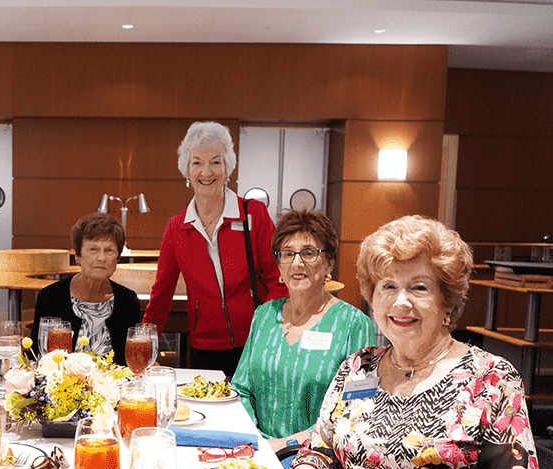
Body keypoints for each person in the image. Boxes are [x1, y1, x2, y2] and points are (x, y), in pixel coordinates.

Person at [289, 215, 549, 469]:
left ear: (447, 302)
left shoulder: (490, 379)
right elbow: (321, 447)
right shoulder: (359, 367)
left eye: (419, 287)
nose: (400, 301)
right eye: (387, 286)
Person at [143, 121, 287, 377]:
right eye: (197, 162)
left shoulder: (253, 213)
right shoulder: (176, 227)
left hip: (255, 342)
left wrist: (268, 330)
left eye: (216, 162)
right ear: (186, 170)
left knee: (253, 414)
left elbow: (278, 279)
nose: (206, 171)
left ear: (227, 167)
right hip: (204, 346)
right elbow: (161, 294)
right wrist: (145, 346)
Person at [231, 209, 375, 451]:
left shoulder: (354, 324)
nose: (297, 262)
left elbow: (357, 410)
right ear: (278, 266)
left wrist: (284, 444)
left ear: (329, 262)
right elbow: (241, 387)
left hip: (316, 456)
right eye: (288, 254)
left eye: (309, 253)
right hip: (255, 448)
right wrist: (255, 438)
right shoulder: (264, 315)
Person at [31, 213, 141, 365]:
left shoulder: (128, 301)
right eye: (93, 249)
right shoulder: (50, 297)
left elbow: (129, 362)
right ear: (78, 256)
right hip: (61, 385)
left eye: (109, 250)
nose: (102, 258)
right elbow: (37, 356)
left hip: (113, 386)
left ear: (117, 259)